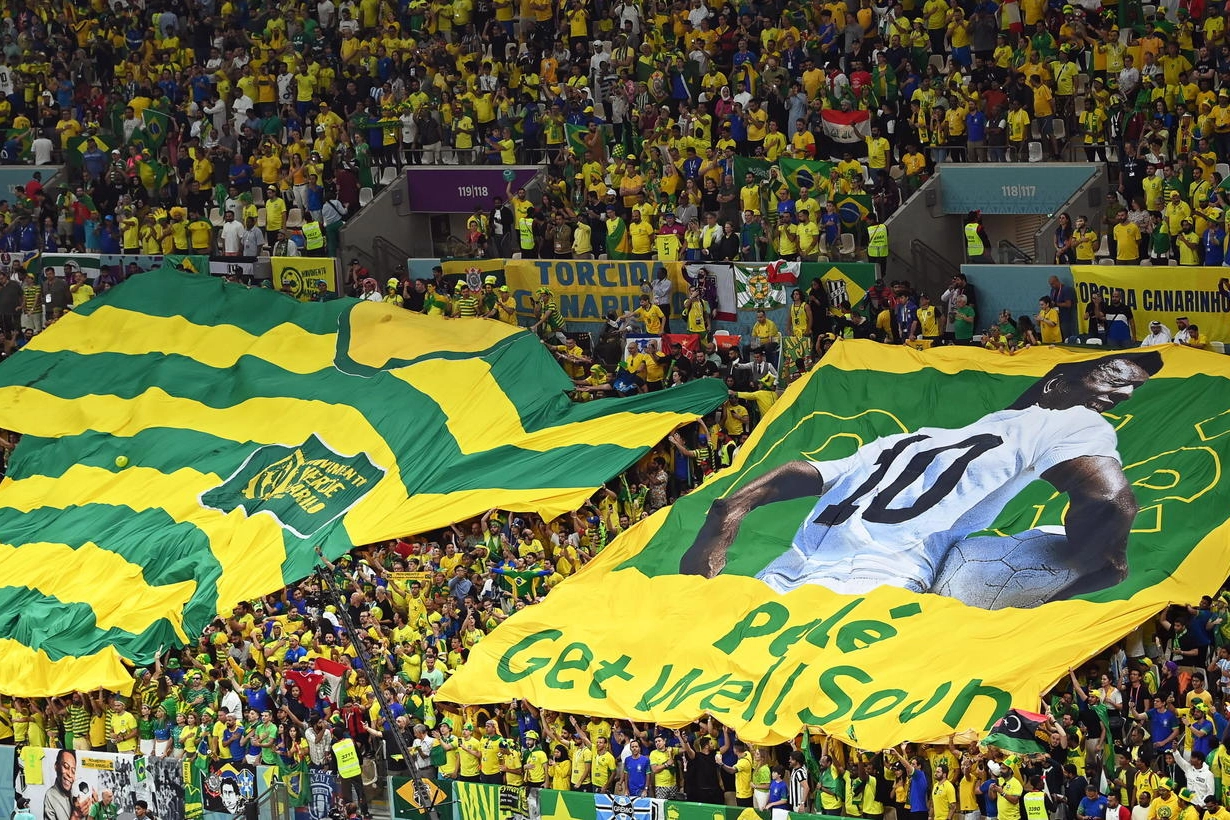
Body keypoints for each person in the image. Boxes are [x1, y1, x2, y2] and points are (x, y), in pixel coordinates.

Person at [680, 353, 1163, 610]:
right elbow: (1109, 501)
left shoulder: (907, 440)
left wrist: (729, 513)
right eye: (1115, 382)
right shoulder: (1064, 421)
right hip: (875, 589)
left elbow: (799, 476)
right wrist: (1103, 558)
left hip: (782, 576)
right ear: (1058, 386)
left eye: (1133, 390)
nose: (1122, 395)